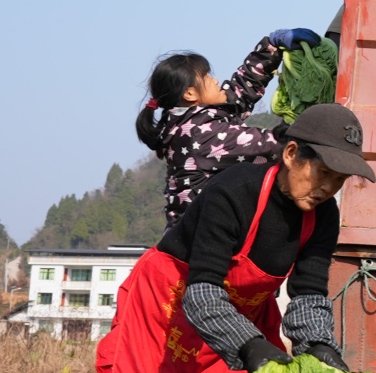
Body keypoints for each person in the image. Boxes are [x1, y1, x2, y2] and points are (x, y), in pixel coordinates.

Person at [76, 103, 376, 373]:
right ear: (291, 155)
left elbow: (308, 292)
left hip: (239, 315)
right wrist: (251, 348)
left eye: (339, 181)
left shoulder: (322, 216)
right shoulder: (235, 191)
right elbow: (202, 290)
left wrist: (319, 347)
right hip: (169, 308)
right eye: (322, 173)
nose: (327, 188)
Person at [136, 28, 321, 226]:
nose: (215, 80)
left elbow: (240, 93)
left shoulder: (195, 121)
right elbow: (273, 146)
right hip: (196, 242)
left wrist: (271, 46)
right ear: (190, 94)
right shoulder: (200, 135)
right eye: (207, 77)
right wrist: (315, 124)